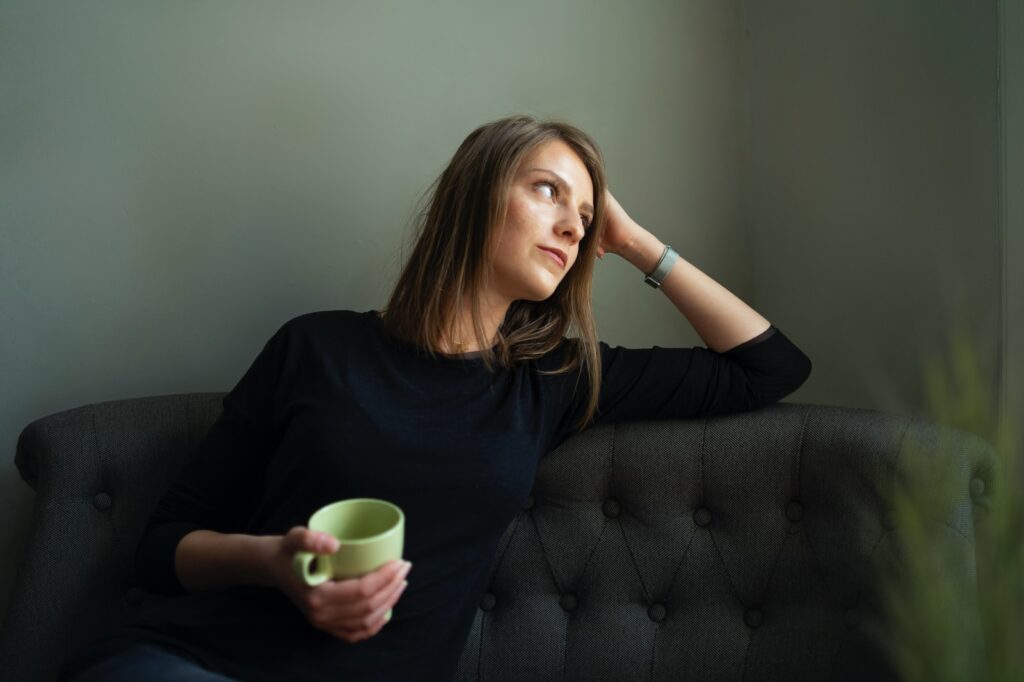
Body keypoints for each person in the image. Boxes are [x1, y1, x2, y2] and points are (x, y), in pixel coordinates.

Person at [58, 114, 812, 681]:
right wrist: (273, 562)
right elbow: (162, 548)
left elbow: (768, 366)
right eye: (548, 190)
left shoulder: (553, 378)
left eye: (584, 220)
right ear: (477, 194)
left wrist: (636, 240)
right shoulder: (315, 348)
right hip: (201, 663)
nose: (571, 226)